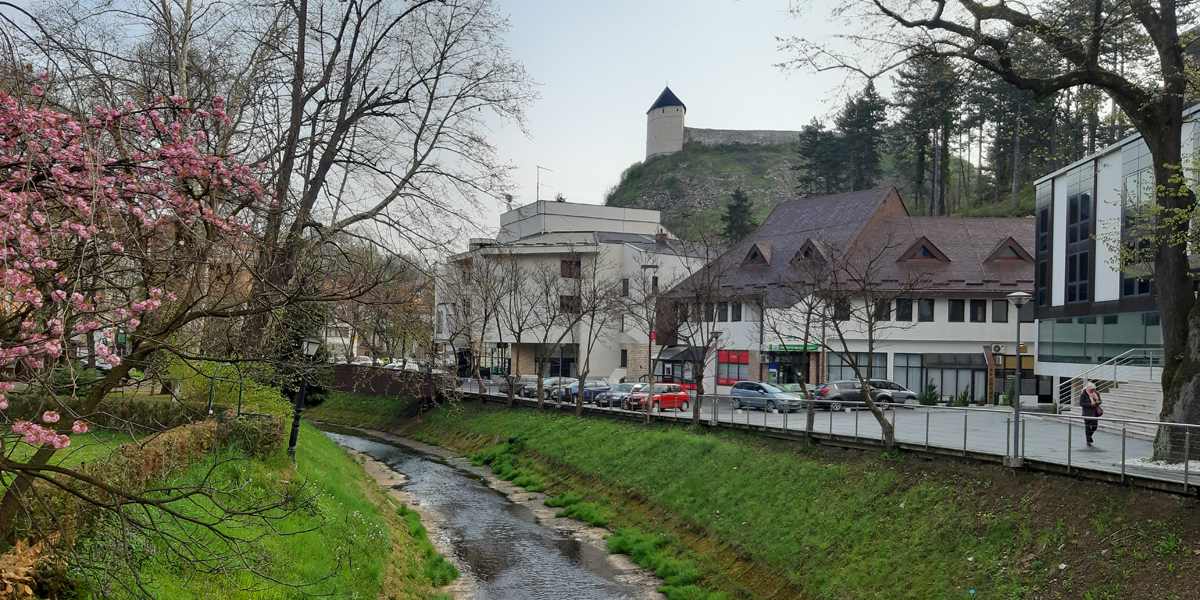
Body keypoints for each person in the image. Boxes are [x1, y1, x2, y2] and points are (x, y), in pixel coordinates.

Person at [1080, 381, 1103, 447]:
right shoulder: (1083, 394)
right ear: (1088, 388)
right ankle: (1088, 441)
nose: (1093, 390)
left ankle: (1089, 437)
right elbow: (1081, 404)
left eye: (1094, 389)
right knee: (1087, 427)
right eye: (1092, 389)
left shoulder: (1096, 393)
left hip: (1095, 413)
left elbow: (1100, 401)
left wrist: (1097, 402)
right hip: (1087, 413)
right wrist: (1090, 404)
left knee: (1095, 426)